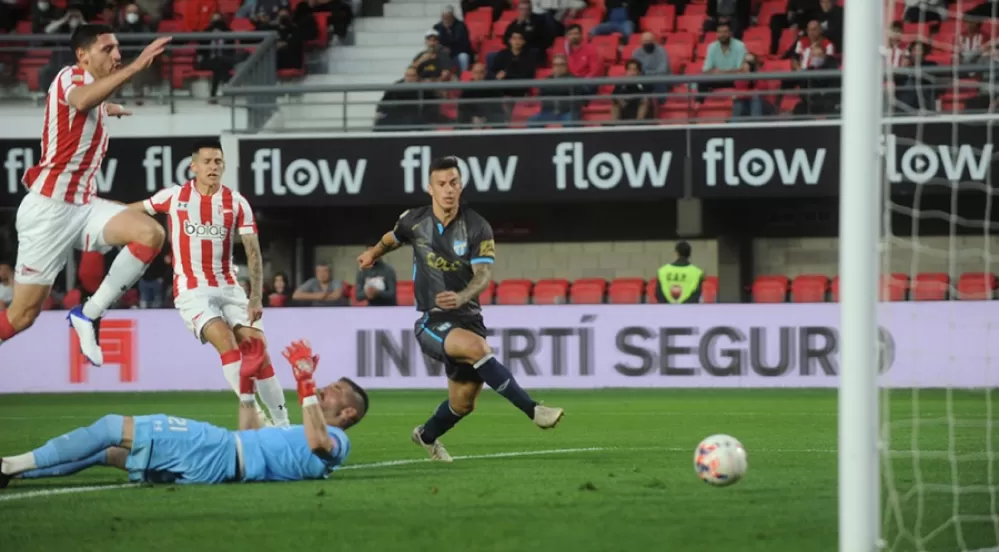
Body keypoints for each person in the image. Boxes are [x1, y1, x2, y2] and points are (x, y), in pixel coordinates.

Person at [356, 156, 564, 463]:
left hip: (468, 317)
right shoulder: (414, 220)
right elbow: (393, 238)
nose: (448, 190)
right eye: (441, 184)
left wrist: (462, 295)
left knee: (463, 403)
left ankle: (425, 436)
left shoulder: (478, 227)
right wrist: (372, 253)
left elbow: (482, 276)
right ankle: (534, 409)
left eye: (453, 183)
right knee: (478, 349)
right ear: (430, 189)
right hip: (431, 320)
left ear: (460, 186)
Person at [0, 25, 171, 364]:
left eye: (119, 49)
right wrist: (135, 68)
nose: (117, 56)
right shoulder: (70, 78)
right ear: (82, 55)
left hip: (82, 207)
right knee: (22, 316)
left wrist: (111, 109)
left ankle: (88, 314)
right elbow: (81, 99)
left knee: (150, 233)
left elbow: (91, 104)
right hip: (48, 213)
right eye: (108, 49)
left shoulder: (96, 94)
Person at [0, 339, 368, 487]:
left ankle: (9, 465)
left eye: (335, 390)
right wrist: (245, 381)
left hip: (214, 451)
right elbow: (249, 434)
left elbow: (319, 441)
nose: (324, 388)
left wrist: (304, 382)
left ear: (348, 412)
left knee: (112, 426)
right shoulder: (305, 433)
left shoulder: (337, 439)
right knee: (105, 453)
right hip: (222, 462)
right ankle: (13, 476)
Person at [127, 139, 287, 427]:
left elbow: (253, 251)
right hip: (191, 289)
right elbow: (133, 210)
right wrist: (102, 217)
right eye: (208, 161)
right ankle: (257, 417)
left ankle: (283, 424)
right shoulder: (174, 197)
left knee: (258, 349)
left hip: (229, 285)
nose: (213, 167)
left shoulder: (236, 202)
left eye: (218, 162)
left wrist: (255, 297)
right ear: (194, 166)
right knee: (226, 341)